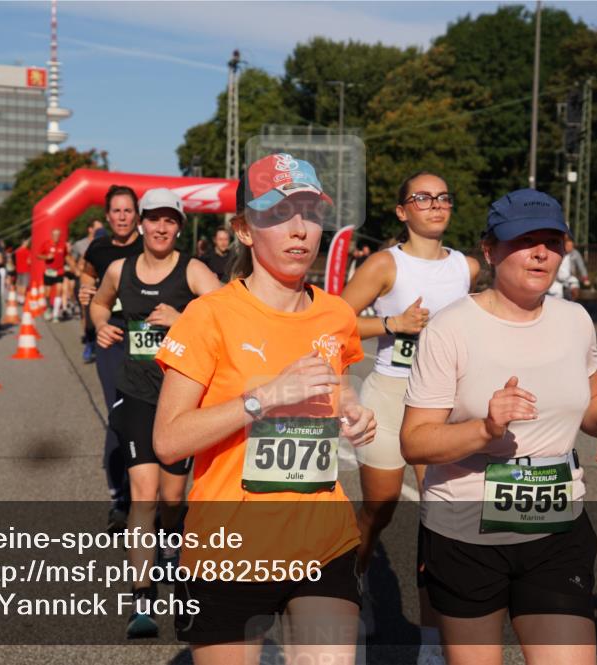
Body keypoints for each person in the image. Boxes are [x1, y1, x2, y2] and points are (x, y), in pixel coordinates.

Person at [401, 189, 597, 665]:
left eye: (552, 241)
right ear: (490, 251)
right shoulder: (450, 328)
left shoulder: (575, 320)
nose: (540, 252)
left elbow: (593, 397)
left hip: (556, 529)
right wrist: (485, 429)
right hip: (465, 533)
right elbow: (414, 441)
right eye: (524, 240)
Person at [153, 153, 376, 663]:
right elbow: (168, 440)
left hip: (324, 539)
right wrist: (264, 397)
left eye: (310, 213)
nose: (299, 230)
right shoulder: (208, 316)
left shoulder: (336, 313)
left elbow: (335, 385)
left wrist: (353, 406)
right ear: (245, 231)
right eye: (278, 214)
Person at [340, 171, 479, 663]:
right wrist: (390, 324)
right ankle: (356, 581)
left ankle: (431, 642)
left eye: (444, 197)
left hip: (442, 402)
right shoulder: (384, 265)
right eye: (423, 198)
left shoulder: (468, 267)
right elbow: (333, 322)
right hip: (390, 393)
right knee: (380, 507)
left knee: (438, 515)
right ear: (403, 211)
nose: (436, 205)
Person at [89, 187, 222, 638]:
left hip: (182, 401)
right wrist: (102, 324)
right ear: (141, 223)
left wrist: (183, 318)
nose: (161, 227)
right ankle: (142, 601)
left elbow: (228, 314)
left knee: (173, 501)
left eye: (170, 220)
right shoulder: (119, 268)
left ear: (179, 226)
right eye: (154, 219)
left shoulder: (194, 270)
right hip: (135, 394)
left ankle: (176, 563)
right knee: (144, 494)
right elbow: (100, 301)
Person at [79, 185, 143, 530]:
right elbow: (86, 277)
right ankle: (119, 496)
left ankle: (149, 496)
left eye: (128, 211)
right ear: (108, 215)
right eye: (116, 211)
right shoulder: (99, 247)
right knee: (119, 413)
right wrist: (85, 293)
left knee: (149, 416)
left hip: (147, 338)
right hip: (111, 336)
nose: (122, 217)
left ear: (137, 215)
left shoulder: (150, 245)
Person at [38, 228, 67, 321]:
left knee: (59, 291)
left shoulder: (63, 245)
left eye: (58, 235)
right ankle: (48, 308)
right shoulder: (46, 244)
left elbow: (66, 255)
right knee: (47, 293)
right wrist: (46, 257)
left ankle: (55, 314)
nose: (56, 237)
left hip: (59, 271)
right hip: (49, 272)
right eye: (54, 235)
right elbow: (38, 255)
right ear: (51, 235)